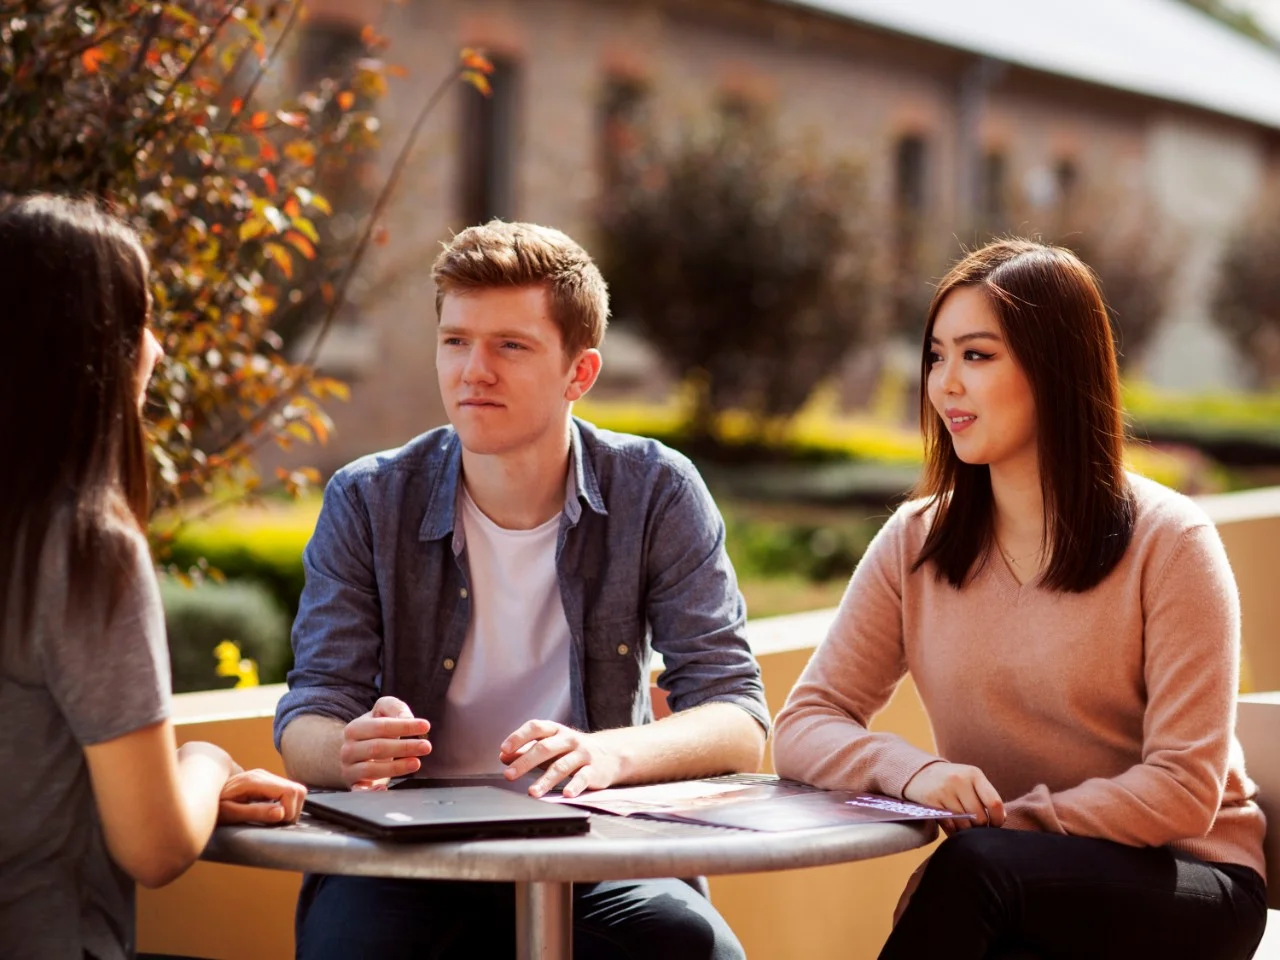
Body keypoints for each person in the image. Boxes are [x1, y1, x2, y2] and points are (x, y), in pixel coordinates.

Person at [275, 220, 769, 959]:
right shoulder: (369, 499)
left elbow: (738, 717)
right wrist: (348, 748)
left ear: (580, 373)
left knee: (698, 952)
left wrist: (607, 756)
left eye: (510, 346)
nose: (473, 371)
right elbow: (308, 715)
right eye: (456, 341)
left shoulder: (656, 491)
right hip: (404, 853)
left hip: (596, 841)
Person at [773, 238, 1267, 959]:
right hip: (1009, 878)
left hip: (1187, 878)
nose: (945, 384)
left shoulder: (1170, 541)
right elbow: (805, 723)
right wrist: (915, 772)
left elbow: (1183, 789)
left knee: (980, 877)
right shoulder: (917, 541)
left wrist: (1008, 827)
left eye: (977, 356)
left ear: (1055, 369)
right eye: (936, 357)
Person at [0, 194, 307, 960]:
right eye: (139, 321)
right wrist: (204, 765)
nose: (157, 350)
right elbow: (156, 847)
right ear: (90, 350)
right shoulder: (84, 548)